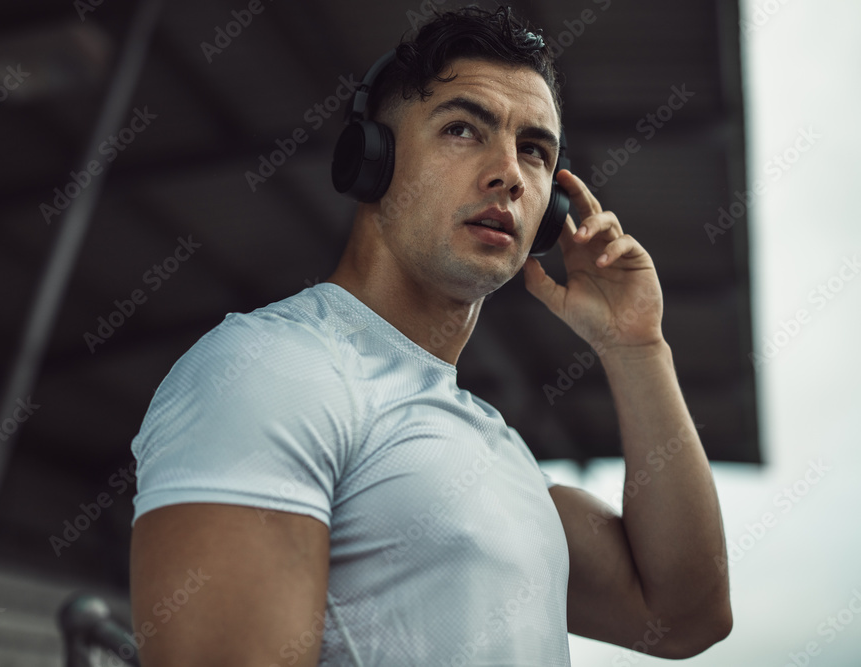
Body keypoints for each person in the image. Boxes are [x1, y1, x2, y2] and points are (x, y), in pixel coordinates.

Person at [128, 6, 732, 666]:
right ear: (371, 162)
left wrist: (637, 348)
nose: (508, 171)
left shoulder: (500, 451)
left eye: (534, 150)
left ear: (551, 215)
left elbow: (684, 615)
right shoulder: (269, 369)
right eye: (463, 130)